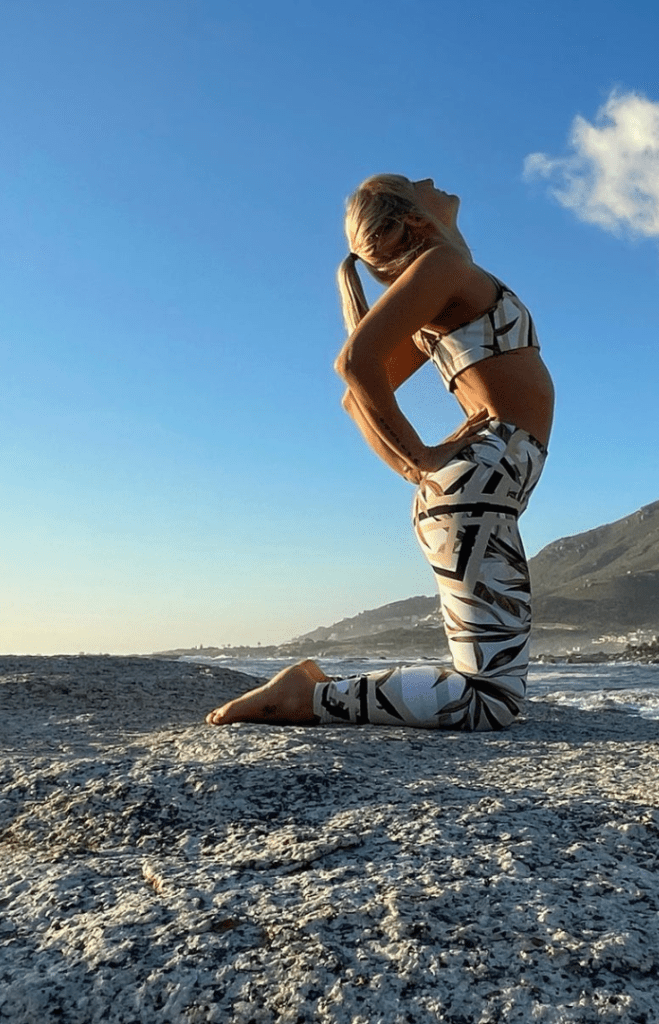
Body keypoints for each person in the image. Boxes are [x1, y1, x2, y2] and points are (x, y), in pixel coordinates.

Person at [206, 174, 555, 731]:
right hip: (474, 495)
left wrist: (417, 467)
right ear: (417, 217)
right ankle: (309, 697)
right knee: (489, 702)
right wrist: (417, 459)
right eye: (415, 182)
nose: (430, 180)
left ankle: (315, 694)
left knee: (488, 692)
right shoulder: (442, 263)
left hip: (475, 495)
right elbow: (354, 367)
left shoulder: (443, 281)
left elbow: (356, 400)